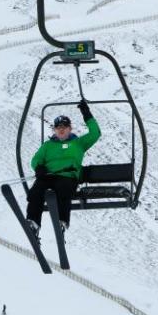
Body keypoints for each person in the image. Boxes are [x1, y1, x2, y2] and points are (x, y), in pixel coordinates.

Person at [24, 100, 100, 234]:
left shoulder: (78, 143)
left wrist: (86, 114)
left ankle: (61, 222)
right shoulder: (48, 145)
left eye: (64, 127)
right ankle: (33, 223)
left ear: (70, 129)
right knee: (36, 191)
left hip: (67, 176)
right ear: (54, 130)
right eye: (58, 127)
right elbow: (36, 159)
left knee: (63, 189)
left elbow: (95, 133)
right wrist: (39, 167)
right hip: (48, 176)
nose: (61, 129)